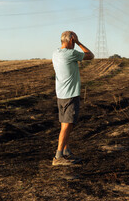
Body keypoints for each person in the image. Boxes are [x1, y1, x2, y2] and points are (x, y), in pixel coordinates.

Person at [51, 31, 94, 166]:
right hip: (70, 95)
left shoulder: (56, 53)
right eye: (74, 41)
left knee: (66, 123)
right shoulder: (71, 53)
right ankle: (58, 157)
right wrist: (79, 43)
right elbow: (90, 56)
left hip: (61, 94)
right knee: (67, 125)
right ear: (71, 41)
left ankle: (66, 150)